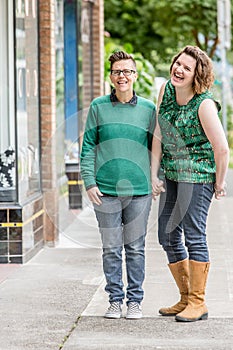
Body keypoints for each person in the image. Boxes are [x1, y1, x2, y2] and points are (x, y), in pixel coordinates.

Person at [151, 45, 229, 322]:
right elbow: (159, 131)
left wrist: (219, 184)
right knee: (167, 235)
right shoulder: (166, 91)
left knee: (194, 235)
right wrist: (154, 172)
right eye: (178, 64)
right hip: (172, 175)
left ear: (197, 74)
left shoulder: (204, 104)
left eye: (187, 67)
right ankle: (185, 298)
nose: (179, 69)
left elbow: (222, 148)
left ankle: (199, 301)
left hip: (198, 177)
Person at [80, 51, 156, 319]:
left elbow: (155, 148)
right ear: (110, 77)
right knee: (111, 248)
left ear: (135, 75)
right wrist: (89, 182)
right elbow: (88, 145)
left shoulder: (148, 109)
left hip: (139, 191)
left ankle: (134, 301)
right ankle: (115, 299)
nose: (122, 76)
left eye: (127, 71)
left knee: (135, 247)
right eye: (117, 72)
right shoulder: (98, 106)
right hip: (106, 191)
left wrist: (156, 178)